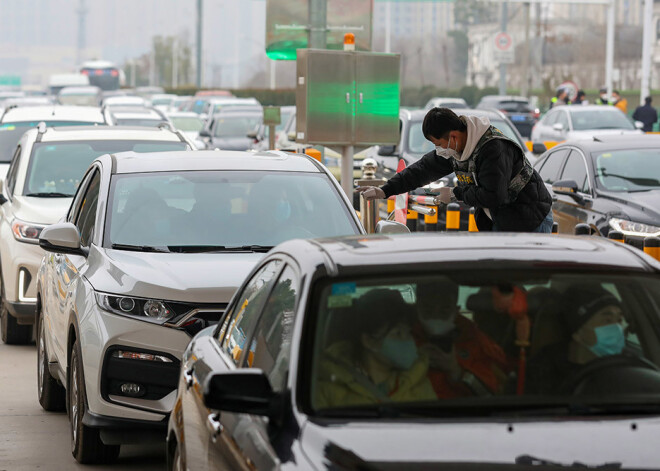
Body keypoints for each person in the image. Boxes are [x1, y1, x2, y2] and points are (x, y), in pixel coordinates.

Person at [357, 107, 553, 232]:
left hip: (530, 219)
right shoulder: (455, 150)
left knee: (520, 284)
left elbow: (494, 195)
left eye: (439, 143)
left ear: (453, 136)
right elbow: (421, 170)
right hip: (504, 219)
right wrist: (385, 189)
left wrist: (454, 193)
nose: (439, 149)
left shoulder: (493, 149)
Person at [314, 289, 436, 408]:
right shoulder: (327, 386)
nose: (408, 341)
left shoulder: (417, 382)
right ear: (369, 341)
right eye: (397, 333)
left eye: (408, 333)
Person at [412, 279, 513, 398]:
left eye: (444, 310)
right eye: (428, 309)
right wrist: (414, 364)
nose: (435, 316)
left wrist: (456, 371)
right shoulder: (401, 339)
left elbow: (491, 395)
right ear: (417, 308)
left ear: (456, 311)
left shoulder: (477, 343)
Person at [527, 284, 626, 394]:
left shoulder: (628, 366)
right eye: (607, 320)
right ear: (577, 333)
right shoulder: (542, 371)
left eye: (619, 320)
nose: (617, 328)